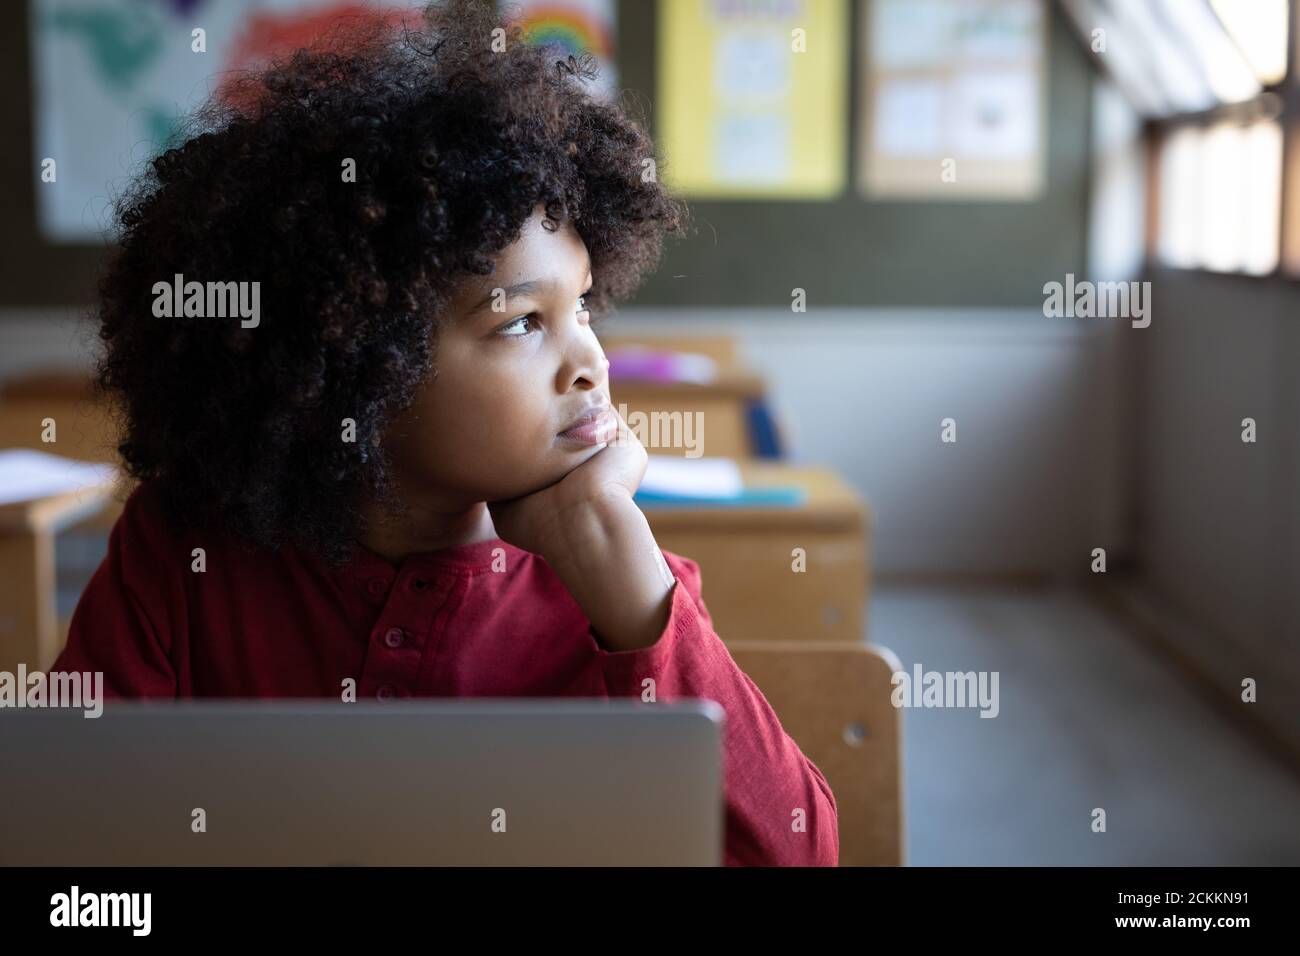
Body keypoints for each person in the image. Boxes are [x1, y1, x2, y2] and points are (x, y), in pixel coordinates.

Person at [53, 0, 838, 867]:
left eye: (581, 306)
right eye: (519, 324)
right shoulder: (182, 553)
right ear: (357, 362)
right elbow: (70, 835)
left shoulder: (619, 583)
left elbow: (796, 852)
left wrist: (632, 595)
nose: (590, 361)